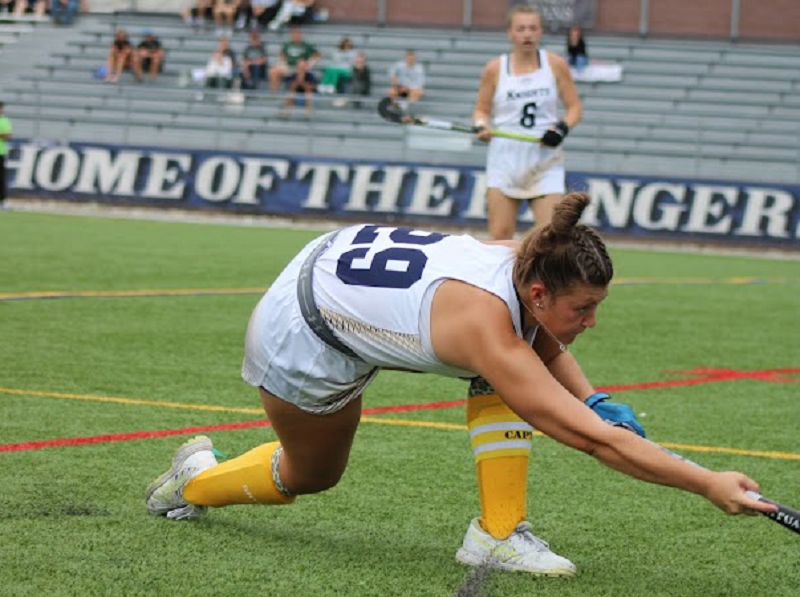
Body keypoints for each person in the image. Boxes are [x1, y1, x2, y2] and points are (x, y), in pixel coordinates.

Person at [145, 193, 775, 577]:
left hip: (344, 268)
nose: (591, 322)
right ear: (539, 292)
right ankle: (193, 480)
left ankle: (496, 535)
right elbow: (595, 443)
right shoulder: (483, 322)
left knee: (509, 368)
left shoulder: (529, 257)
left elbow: (541, 339)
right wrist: (706, 483)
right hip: (306, 330)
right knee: (312, 475)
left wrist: (592, 398)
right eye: (582, 309)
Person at [472, 5, 582, 239]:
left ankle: (542, 278)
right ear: (510, 33)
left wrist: (561, 129)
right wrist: (482, 125)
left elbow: (574, 108)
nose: (527, 34)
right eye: (521, 29)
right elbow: (481, 110)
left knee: (552, 237)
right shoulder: (495, 69)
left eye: (533, 28)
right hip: (505, 159)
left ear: (540, 32)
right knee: (500, 237)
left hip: (544, 159)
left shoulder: (554, 64)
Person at [268, 27, 320, 92]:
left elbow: (317, 55)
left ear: (300, 35)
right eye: (294, 34)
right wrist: (281, 64)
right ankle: (274, 92)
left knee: (301, 63)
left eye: (297, 34)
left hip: (300, 68)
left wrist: (310, 64)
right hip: (289, 67)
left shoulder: (306, 45)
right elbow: (282, 56)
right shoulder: (287, 45)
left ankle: (296, 87)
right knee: (273, 71)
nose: (296, 36)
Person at [0, 102, 10, 210]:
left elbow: (7, 135)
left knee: (1, 179)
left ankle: (3, 201)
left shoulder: (4, 120)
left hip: (1, 153)